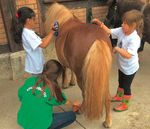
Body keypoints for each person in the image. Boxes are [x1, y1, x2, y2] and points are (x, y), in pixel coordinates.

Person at [92, 10, 144, 112]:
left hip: (130, 68)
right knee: (120, 82)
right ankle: (118, 97)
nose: (122, 24)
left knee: (126, 86)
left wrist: (116, 49)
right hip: (122, 66)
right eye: (123, 22)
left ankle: (125, 104)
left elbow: (128, 55)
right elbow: (109, 32)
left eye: (125, 23)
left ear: (133, 25)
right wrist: (100, 24)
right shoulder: (121, 30)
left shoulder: (135, 39)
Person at [17, 59, 76, 129]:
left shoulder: (30, 80)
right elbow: (63, 101)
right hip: (40, 125)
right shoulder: (52, 89)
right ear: (57, 76)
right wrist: (74, 104)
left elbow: (20, 95)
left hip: (23, 120)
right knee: (72, 116)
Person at [12, 7, 59, 77]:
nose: (35, 21)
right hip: (35, 65)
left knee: (39, 81)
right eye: (33, 19)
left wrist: (51, 33)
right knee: (38, 83)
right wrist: (52, 32)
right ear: (28, 20)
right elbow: (43, 45)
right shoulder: (28, 34)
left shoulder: (29, 32)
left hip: (36, 62)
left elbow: (41, 41)